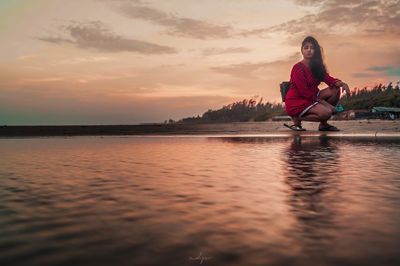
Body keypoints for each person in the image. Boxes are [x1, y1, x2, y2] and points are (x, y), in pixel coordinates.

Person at [284, 36, 350, 131]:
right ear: (302, 51)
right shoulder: (297, 68)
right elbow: (304, 92)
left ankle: (323, 125)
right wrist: (327, 105)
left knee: (335, 89)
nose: (309, 50)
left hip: (312, 97)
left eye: (312, 48)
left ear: (316, 51)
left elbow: (328, 79)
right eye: (306, 48)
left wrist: (342, 83)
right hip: (297, 101)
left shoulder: (317, 66)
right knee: (326, 113)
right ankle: (296, 118)